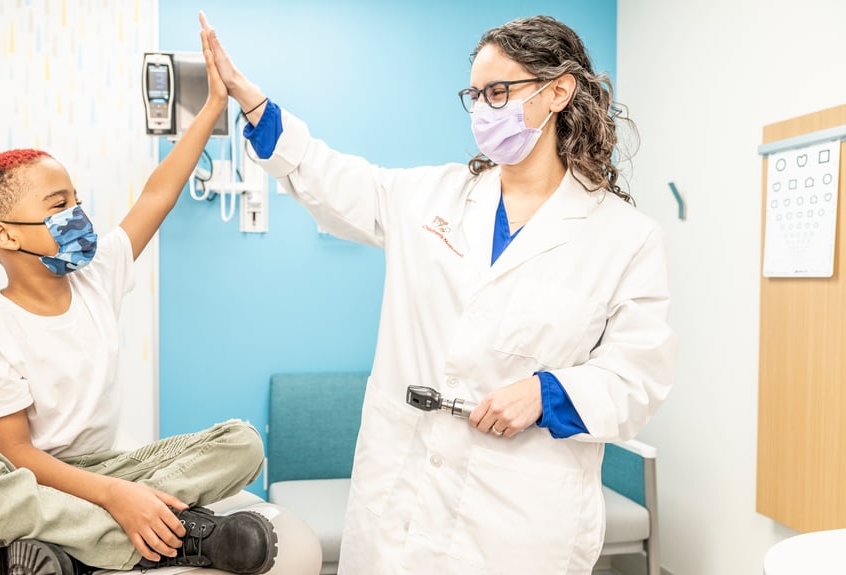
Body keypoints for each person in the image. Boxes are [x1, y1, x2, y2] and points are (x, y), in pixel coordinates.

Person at [201, 12, 677, 575]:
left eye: (498, 92)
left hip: (520, 518)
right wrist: (254, 104)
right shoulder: (431, 197)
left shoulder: (624, 237)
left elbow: (638, 376)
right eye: (475, 96)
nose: (483, 111)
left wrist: (546, 393)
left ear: (558, 92)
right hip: (399, 499)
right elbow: (330, 177)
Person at [0, 28, 279, 575]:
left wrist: (215, 106)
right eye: (59, 205)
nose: (77, 214)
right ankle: (172, 538)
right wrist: (113, 498)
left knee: (242, 444)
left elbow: (158, 193)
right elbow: (17, 455)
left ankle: (64, 546)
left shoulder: (98, 275)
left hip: (115, 467)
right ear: (6, 235)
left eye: (77, 200)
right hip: (35, 478)